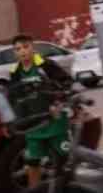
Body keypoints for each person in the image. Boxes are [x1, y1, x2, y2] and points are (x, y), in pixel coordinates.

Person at [8, 34, 73, 188]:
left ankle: (67, 188)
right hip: (33, 126)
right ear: (14, 53)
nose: (22, 51)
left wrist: (58, 101)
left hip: (55, 124)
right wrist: (12, 120)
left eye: (25, 47)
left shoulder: (45, 65)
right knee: (32, 163)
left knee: (63, 162)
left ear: (33, 48)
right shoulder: (15, 71)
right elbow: (14, 97)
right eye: (18, 49)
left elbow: (66, 83)